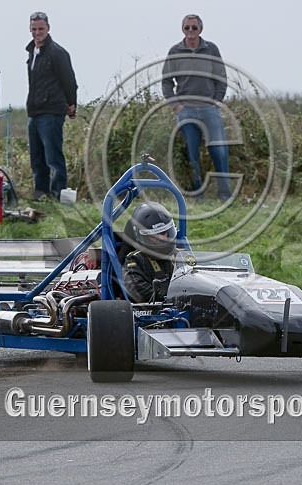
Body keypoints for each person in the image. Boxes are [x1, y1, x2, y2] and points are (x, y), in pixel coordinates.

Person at [161, 14, 231, 200]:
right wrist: (176, 106)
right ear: (182, 29)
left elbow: (221, 77)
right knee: (191, 154)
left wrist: (216, 101)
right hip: (186, 111)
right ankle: (198, 196)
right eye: (187, 28)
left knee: (220, 152)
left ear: (201, 29)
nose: (190, 31)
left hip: (209, 109)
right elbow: (166, 83)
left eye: (194, 27)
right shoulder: (175, 51)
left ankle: (225, 195)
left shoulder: (211, 49)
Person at [26, 11, 78, 201]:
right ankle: (40, 193)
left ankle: (58, 194)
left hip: (52, 111)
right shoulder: (31, 52)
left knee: (53, 157)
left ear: (48, 28)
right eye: (34, 29)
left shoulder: (58, 52)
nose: (37, 32)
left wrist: (72, 104)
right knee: (37, 157)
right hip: (34, 111)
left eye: (41, 28)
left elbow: (69, 80)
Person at [122, 202, 177, 303]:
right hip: (154, 312)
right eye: (155, 235)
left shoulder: (180, 255)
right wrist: (171, 297)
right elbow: (139, 292)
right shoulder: (135, 260)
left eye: (163, 232)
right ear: (144, 236)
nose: (162, 238)